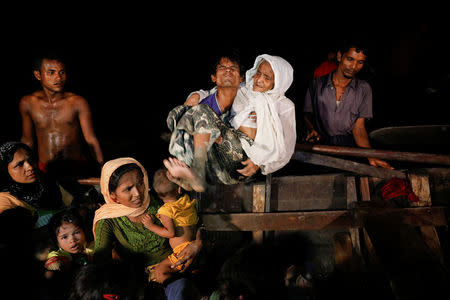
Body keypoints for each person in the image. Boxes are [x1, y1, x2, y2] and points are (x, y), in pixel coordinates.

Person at [166, 54, 296, 191]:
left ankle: (195, 172)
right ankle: (189, 175)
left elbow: (286, 149)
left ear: (278, 83)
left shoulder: (284, 106)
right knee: (176, 114)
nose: (259, 79)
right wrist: (197, 95)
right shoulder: (245, 89)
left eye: (267, 77)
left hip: (244, 162)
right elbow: (216, 92)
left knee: (201, 113)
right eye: (258, 73)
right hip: (222, 156)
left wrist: (260, 164)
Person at [92, 157, 203, 297]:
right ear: (113, 195)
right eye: (128, 189)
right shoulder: (108, 220)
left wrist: (197, 243)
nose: (138, 193)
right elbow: (100, 263)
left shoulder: (160, 200)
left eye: (140, 183)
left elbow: (193, 220)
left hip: (176, 269)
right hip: (138, 286)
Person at [303, 41, 393, 169]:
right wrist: (311, 128)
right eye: (350, 59)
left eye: (360, 62)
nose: (354, 66)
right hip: (321, 148)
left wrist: (371, 156)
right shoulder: (316, 84)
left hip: (350, 149)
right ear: (340, 56)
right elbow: (307, 114)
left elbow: (359, 128)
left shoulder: (364, 89)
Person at [19, 53, 104, 178]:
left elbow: (90, 139)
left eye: (62, 72)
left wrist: (103, 167)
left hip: (75, 168)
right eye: (51, 72)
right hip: (44, 168)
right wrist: (24, 168)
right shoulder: (28, 103)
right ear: (38, 75)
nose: (58, 78)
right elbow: (27, 140)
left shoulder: (77, 102)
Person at [142, 167, 199, 283]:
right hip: (195, 245)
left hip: (182, 251)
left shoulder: (166, 211)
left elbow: (170, 233)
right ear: (179, 189)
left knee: (159, 271)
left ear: (157, 195)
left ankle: (172, 288)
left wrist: (151, 226)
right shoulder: (186, 201)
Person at [45, 207, 94, 273]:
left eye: (76, 232)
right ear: (57, 242)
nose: (72, 240)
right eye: (64, 237)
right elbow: (52, 263)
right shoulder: (58, 254)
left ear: (84, 231)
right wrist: (59, 264)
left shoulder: (90, 245)